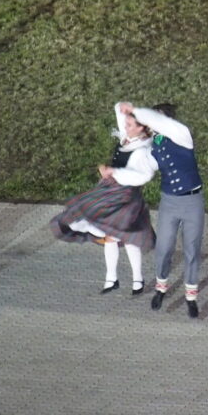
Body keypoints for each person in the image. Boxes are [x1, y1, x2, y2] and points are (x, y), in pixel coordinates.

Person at [51, 103, 156, 294]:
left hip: (125, 195)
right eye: (127, 124)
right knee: (110, 236)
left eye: (130, 125)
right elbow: (121, 116)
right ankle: (111, 278)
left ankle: (137, 280)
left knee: (127, 237)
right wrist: (121, 107)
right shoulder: (128, 138)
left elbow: (143, 176)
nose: (126, 127)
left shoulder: (142, 150)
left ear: (141, 128)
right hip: (110, 190)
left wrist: (114, 172)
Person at [119, 102, 205, 319]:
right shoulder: (154, 144)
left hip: (192, 201)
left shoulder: (181, 134)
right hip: (169, 201)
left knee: (192, 249)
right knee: (164, 247)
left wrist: (138, 113)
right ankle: (161, 287)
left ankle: (191, 297)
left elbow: (158, 124)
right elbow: (145, 168)